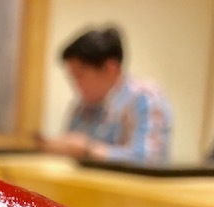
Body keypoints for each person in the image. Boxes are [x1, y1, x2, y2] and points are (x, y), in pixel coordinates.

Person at [38, 26, 172, 165]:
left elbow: (149, 161)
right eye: (72, 77)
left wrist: (87, 150)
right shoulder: (81, 107)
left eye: (80, 75)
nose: (75, 85)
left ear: (110, 69)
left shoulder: (145, 98)